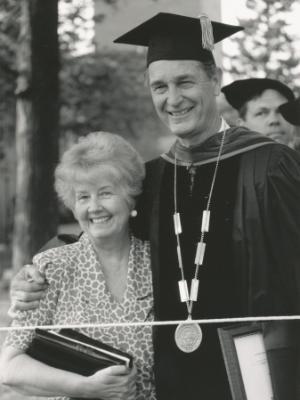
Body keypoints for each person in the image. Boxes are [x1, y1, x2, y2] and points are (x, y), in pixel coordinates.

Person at [9, 12, 300, 400]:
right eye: (159, 86)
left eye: (184, 82)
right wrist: (35, 272)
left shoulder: (270, 165)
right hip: (171, 378)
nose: (172, 98)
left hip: (257, 371)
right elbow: (101, 234)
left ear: (214, 80)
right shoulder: (154, 177)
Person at [1, 132, 156, 400]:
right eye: (83, 197)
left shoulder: (159, 261)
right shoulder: (53, 267)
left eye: (106, 193)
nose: (94, 207)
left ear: (130, 198)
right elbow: (9, 367)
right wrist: (85, 387)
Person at [221, 78, 297, 148]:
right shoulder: (228, 162)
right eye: (261, 113)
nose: (274, 120)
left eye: (281, 112)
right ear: (241, 126)